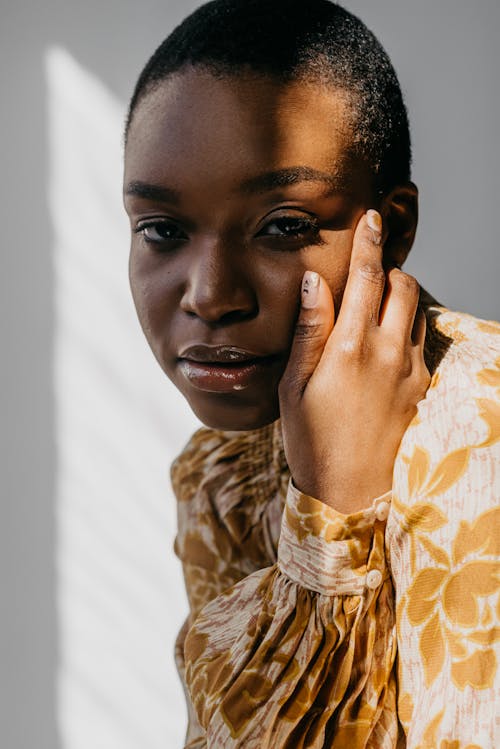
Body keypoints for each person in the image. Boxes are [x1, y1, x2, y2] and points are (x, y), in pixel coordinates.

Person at [122, 1, 500, 746]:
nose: (210, 295)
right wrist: (330, 504)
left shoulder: (482, 454)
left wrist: (337, 523)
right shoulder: (221, 473)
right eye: (162, 230)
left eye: (285, 225)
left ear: (390, 227)